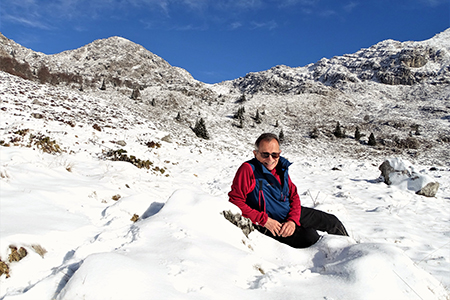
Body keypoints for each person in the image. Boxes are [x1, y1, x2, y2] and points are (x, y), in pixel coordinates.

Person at [228, 133, 348, 248]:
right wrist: (264, 220)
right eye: (265, 154)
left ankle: (353, 253)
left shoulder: (281, 168)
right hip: (270, 222)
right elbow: (235, 201)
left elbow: (293, 196)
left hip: (288, 213)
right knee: (310, 237)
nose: (270, 159)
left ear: (279, 154)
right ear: (256, 153)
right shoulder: (248, 170)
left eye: (274, 155)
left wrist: (292, 220)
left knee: (332, 222)